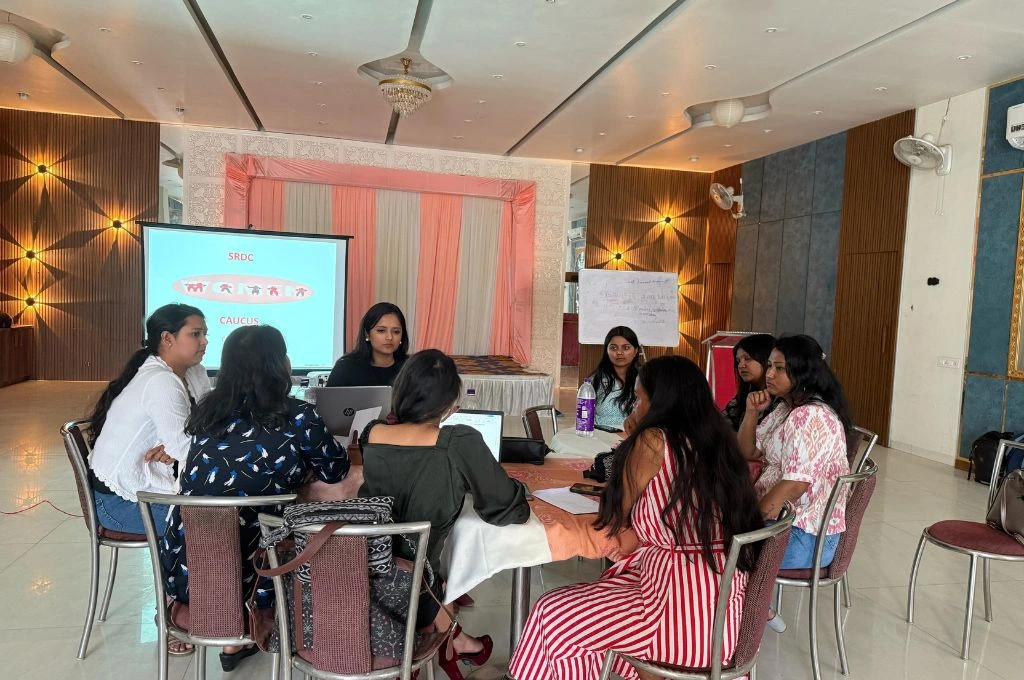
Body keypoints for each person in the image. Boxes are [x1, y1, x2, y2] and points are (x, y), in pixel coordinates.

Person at [508, 356, 764, 680]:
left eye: (640, 399)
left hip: (674, 615)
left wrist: (630, 442)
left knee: (553, 615)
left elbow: (618, 513)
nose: (635, 408)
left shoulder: (653, 439)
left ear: (660, 402)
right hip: (720, 614)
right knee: (582, 604)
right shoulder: (719, 442)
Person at [160, 325, 350, 670]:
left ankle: (233, 642)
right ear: (279, 365)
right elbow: (336, 470)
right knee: (329, 504)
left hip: (194, 575)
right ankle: (322, 635)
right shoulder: (297, 416)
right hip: (266, 575)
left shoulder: (206, 414)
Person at [358, 349, 530, 680]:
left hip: (360, 574)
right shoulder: (458, 440)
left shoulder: (372, 433)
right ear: (451, 401)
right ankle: (454, 642)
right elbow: (505, 509)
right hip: (413, 590)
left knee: (431, 570)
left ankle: (457, 641)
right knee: (439, 572)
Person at [737, 335, 851, 632]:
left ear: (802, 373)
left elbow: (794, 486)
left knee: (715, 545)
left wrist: (745, 520)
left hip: (803, 537)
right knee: (711, 532)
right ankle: (749, 607)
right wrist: (751, 413)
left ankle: (741, 619)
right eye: (770, 366)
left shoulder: (809, 416)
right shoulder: (785, 409)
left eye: (780, 368)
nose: (770, 374)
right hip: (782, 526)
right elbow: (747, 452)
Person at [87, 303, 211, 537]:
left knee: (229, 518)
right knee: (220, 526)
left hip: (148, 491)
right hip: (121, 503)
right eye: (196, 334)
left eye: (205, 334)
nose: (204, 341)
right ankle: (188, 575)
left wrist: (173, 446)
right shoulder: (161, 381)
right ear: (167, 338)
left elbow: (206, 424)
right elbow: (186, 449)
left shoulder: (195, 372)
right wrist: (177, 446)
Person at [326, 302, 409, 387]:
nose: (389, 337)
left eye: (396, 332)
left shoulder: (411, 367)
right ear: (367, 334)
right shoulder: (346, 368)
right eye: (381, 330)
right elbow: (328, 399)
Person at [589, 326, 644, 431]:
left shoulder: (645, 379)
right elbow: (584, 416)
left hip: (634, 438)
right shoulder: (595, 380)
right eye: (613, 348)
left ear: (636, 351)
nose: (619, 352)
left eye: (626, 348)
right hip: (601, 437)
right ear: (606, 350)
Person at [722, 333, 776, 430]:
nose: (741, 365)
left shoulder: (781, 401)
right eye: (738, 361)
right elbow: (719, 428)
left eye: (747, 358)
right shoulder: (741, 399)